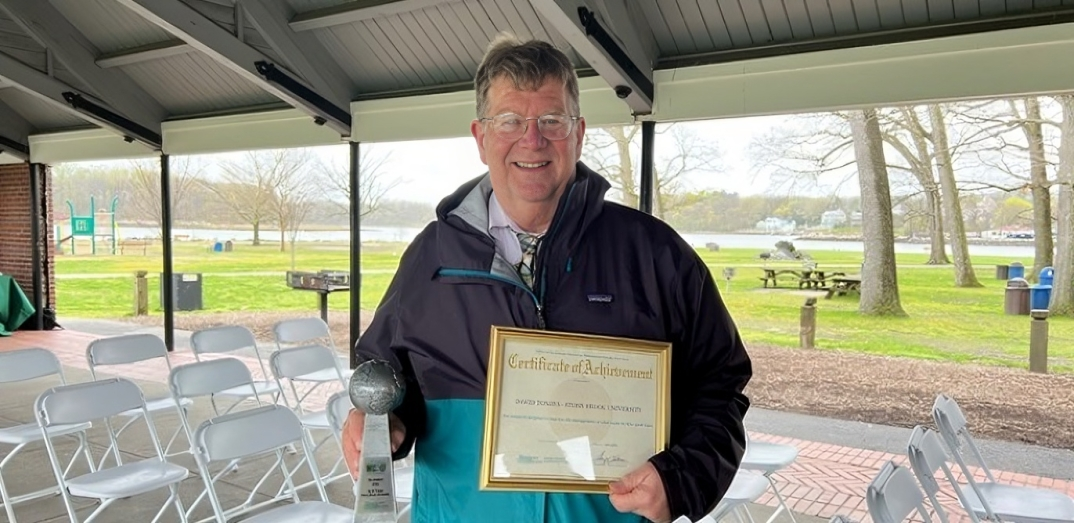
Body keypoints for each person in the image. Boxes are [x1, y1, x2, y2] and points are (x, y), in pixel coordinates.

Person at [343, 33, 752, 523]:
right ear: (481, 138)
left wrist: (681, 478)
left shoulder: (654, 254)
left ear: (579, 134)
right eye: (510, 121)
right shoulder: (430, 258)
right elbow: (386, 374)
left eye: (551, 121)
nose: (532, 140)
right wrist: (382, 422)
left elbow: (720, 383)